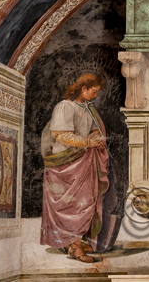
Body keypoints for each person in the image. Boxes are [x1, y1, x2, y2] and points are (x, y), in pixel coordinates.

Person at [40, 73, 109, 263]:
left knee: (86, 202)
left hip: (84, 161)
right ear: (83, 88)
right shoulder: (65, 106)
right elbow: (60, 135)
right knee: (73, 205)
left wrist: (97, 139)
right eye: (93, 91)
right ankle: (75, 248)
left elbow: (95, 131)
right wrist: (88, 142)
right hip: (65, 162)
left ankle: (75, 241)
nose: (95, 95)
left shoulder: (88, 109)